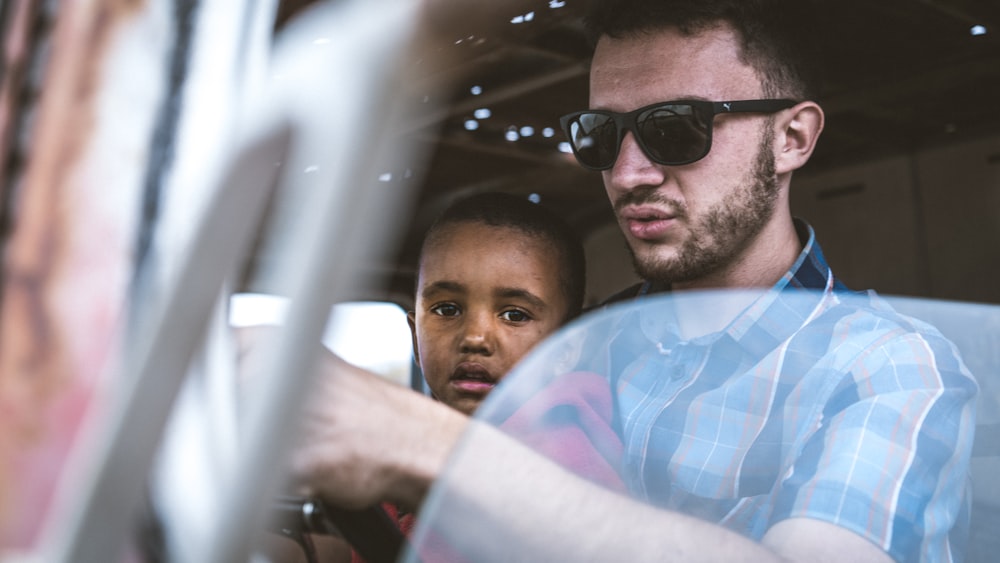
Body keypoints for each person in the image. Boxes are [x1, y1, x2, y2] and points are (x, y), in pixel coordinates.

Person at [287, 2, 978, 562]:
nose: (626, 173)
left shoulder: (888, 368)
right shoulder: (582, 344)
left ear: (793, 137)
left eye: (676, 130)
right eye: (602, 135)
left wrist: (427, 446)